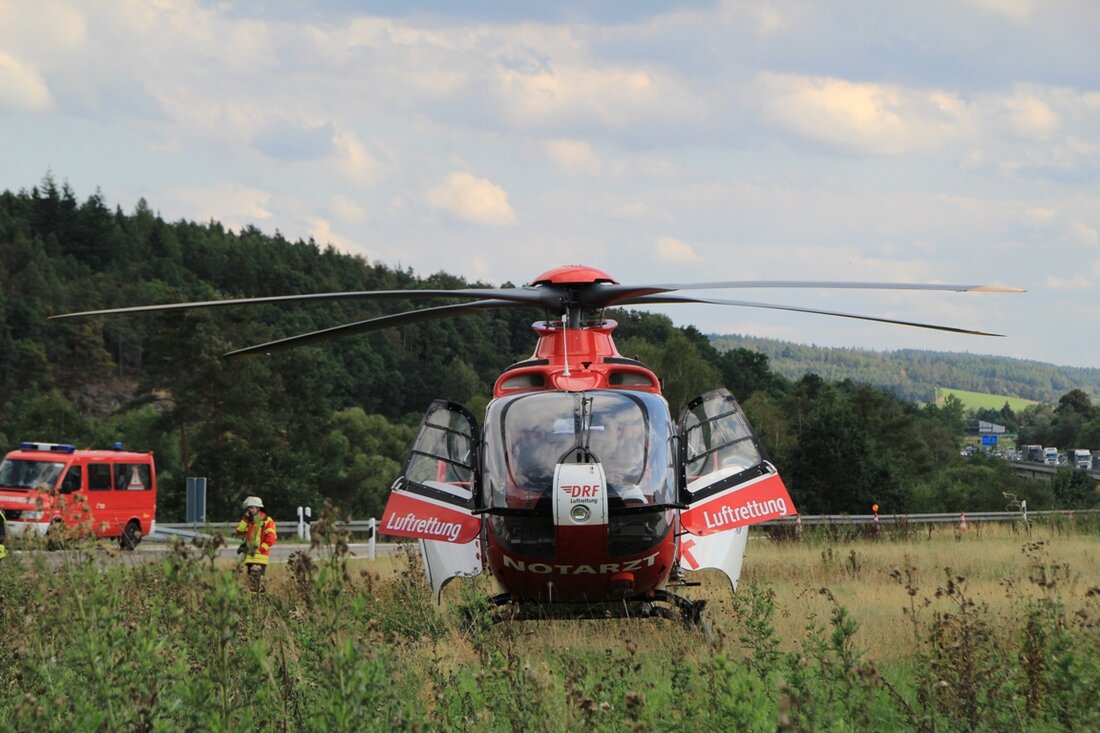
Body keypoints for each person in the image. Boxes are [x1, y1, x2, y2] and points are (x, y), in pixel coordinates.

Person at [235, 496, 276, 592]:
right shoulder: (250, 521)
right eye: (248, 508)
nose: (249, 510)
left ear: (258, 508)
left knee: (258, 582)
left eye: (251, 507)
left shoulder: (267, 521)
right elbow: (239, 530)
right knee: (251, 584)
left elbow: (271, 539)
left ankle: (260, 601)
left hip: (260, 557)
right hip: (250, 557)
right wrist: (245, 518)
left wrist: (260, 550)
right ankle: (255, 602)